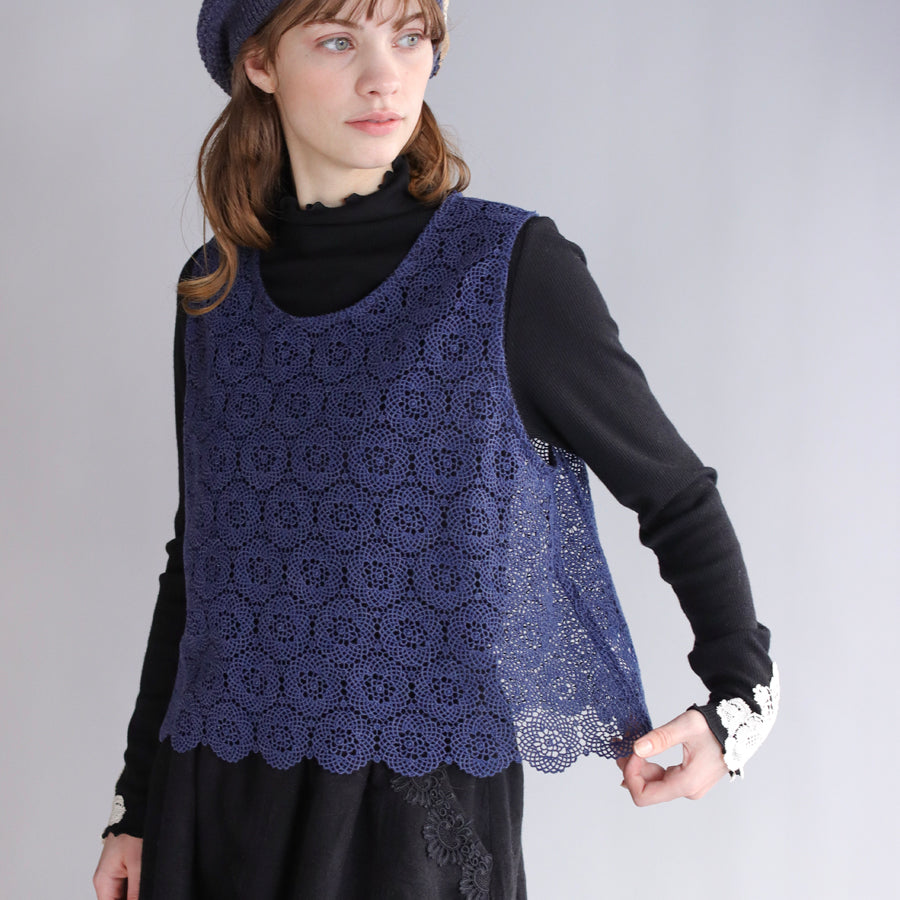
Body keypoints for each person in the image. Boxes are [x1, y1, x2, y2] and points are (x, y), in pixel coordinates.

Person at [93, 1, 779, 897]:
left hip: (415, 816)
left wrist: (738, 700)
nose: (385, 77)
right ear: (259, 63)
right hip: (215, 796)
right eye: (338, 40)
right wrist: (138, 806)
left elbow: (674, 492)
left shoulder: (505, 268)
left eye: (409, 36)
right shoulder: (214, 289)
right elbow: (202, 560)